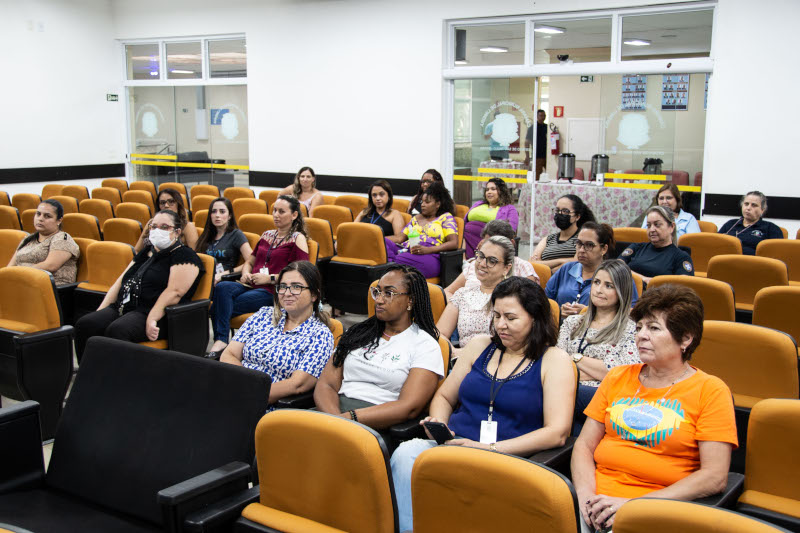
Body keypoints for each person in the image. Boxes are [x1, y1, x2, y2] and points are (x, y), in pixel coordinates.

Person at [390, 277, 575, 532]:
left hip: (506, 456)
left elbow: (557, 432)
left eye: (511, 318)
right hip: (455, 445)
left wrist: (489, 448)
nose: (501, 325)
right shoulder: (480, 346)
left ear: (535, 318)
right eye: (496, 315)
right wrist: (440, 424)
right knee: (404, 454)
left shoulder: (554, 360)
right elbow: (444, 397)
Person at [571, 284, 737, 532]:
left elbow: (714, 477)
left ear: (686, 338)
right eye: (639, 328)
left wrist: (634, 506)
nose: (641, 335)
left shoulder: (711, 390)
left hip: (656, 511)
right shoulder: (617, 377)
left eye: (654, 328)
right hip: (593, 503)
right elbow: (584, 446)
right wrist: (585, 497)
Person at [314, 264, 443, 442]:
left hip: (376, 423)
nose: (379, 300)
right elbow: (326, 384)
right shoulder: (358, 334)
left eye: (389, 293)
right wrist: (335, 421)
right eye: (377, 292)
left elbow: (408, 407)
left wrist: (348, 420)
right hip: (333, 410)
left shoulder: (425, 345)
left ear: (410, 301)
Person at [73, 209, 204, 360]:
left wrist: (152, 318)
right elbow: (120, 281)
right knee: (86, 324)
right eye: (153, 227)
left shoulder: (184, 255)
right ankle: (90, 371)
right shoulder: (147, 251)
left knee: (117, 330)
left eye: (164, 227)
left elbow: (175, 292)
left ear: (176, 232)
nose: (157, 231)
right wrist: (100, 310)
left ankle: (122, 377)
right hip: (125, 306)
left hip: (155, 312)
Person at [207, 195, 309, 358]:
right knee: (222, 287)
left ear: (294, 215)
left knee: (216, 308)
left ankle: (221, 342)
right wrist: (246, 272)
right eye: (274, 210)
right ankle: (225, 344)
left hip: (274, 291)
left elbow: (302, 273)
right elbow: (250, 261)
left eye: (281, 211)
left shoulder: (298, 238)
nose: (276, 215)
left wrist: (269, 279)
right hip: (251, 284)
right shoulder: (266, 235)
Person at [221, 261, 334, 407]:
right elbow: (228, 354)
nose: (287, 293)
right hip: (234, 390)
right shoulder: (263, 315)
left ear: (314, 295)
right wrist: (244, 387)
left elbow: (298, 384)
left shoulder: (320, 335)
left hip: (265, 406)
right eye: (283, 287)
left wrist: (251, 396)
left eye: (296, 287)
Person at [556, 259, 640, 433]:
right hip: (568, 389)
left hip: (603, 395)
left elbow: (620, 374)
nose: (599, 290)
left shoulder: (631, 329)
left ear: (621, 291)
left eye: (609, 286)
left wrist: (573, 359)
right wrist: (596, 368)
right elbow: (555, 362)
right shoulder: (572, 322)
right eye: (596, 282)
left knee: (561, 392)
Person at [546, 222, 637, 318]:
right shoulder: (566, 269)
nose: (581, 250)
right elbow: (546, 300)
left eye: (589, 245)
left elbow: (631, 312)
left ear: (604, 249)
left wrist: (588, 312)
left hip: (601, 330)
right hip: (562, 327)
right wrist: (558, 311)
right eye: (579, 243)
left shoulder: (618, 274)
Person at [437, 236, 514, 348]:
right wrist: (454, 352)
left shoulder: (512, 298)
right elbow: (440, 334)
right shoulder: (462, 294)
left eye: (492, 261)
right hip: (463, 360)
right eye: (481, 256)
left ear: (506, 268)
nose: (482, 264)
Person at [445, 219, 538, 299]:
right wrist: (457, 307)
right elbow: (447, 292)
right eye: (487, 242)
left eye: (496, 244)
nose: (483, 264)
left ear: (511, 243)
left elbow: (528, 302)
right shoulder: (476, 263)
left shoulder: (522, 266)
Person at [385, 182, 458, 279]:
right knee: (382, 244)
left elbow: (454, 243)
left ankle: (389, 263)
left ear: (438, 204)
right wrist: (379, 238)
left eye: (427, 202)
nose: (422, 205)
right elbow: (399, 238)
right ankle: (391, 263)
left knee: (396, 258)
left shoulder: (445, 217)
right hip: (408, 251)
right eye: (422, 202)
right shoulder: (416, 218)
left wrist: (428, 250)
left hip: (430, 257)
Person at [7, 199, 79, 286]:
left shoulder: (62, 239)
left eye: (47, 216)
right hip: (21, 284)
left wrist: (18, 274)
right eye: (38, 214)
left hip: (49, 288)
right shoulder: (28, 239)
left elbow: (50, 266)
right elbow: (10, 267)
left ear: (59, 220)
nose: (40, 219)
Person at [620, 206, 694, 284]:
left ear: (671, 227)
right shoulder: (637, 247)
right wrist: (643, 279)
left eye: (657, 225)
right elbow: (617, 266)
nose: (652, 229)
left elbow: (683, 286)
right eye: (648, 225)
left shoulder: (681, 257)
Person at [531, 194, 596, 272]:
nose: (560, 214)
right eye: (557, 210)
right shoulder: (548, 239)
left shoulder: (581, 238)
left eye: (565, 211)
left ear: (577, 216)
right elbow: (531, 264)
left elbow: (576, 262)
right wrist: (563, 261)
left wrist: (543, 265)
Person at [194, 197, 252, 283]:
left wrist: (226, 273)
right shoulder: (206, 235)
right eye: (214, 211)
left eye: (222, 212)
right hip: (205, 277)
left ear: (229, 216)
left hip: (225, 280)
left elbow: (251, 261)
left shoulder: (236, 235)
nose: (217, 215)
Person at [463, 177, 519, 259]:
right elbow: (464, 222)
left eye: (493, 189)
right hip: (466, 235)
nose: (489, 192)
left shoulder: (510, 208)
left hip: (489, 240)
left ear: (501, 191)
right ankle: (464, 261)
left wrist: (487, 239)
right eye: (487, 189)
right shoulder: (479, 204)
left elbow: (510, 231)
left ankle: (470, 262)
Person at [134, 188, 199, 253]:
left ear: (178, 205)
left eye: (171, 202)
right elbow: (137, 250)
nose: (166, 205)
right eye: (162, 203)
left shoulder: (187, 226)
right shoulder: (151, 222)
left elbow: (195, 254)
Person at [719, 190, 783, 255]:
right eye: (746, 204)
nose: (748, 208)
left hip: (753, 263)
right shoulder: (730, 224)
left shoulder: (771, 228)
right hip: (725, 260)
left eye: (754, 205)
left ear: (762, 210)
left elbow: (776, 254)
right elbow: (715, 244)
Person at [524, 109, 548, 180]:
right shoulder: (532, 128)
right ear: (537, 116)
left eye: (544, 116)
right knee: (537, 176)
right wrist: (527, 156)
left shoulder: (546, 127)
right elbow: (526, 142)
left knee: (549, 174)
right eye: (541, 115)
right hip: (537, 156)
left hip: (547, 156)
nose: (543, 117)